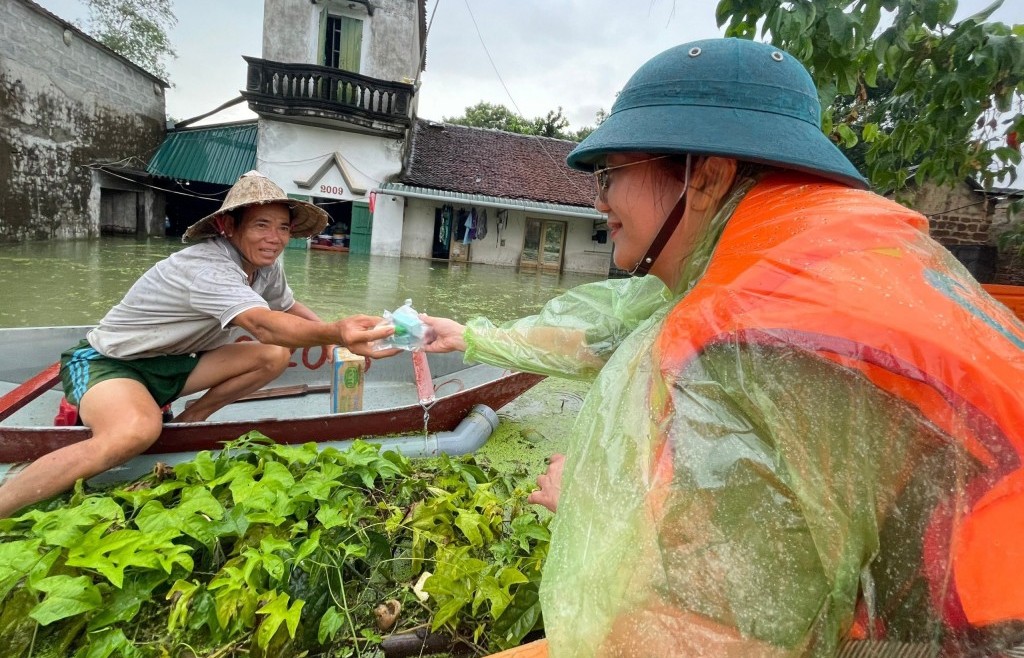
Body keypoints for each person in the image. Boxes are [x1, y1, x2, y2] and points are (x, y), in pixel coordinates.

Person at [422, 39, 1024, 656]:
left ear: (704, 177)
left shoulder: (758, 340)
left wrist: (599, 504)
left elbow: (713, 635)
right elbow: (603, 333)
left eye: (611, 174)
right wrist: (469, 336)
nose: (597, 200)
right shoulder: (822, 262)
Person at [0, 170, 398, 518]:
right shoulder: (207, 267)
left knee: (274, 357)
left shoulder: (263, 266)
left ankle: (192, 421)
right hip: (112, 364)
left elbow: (286, 306)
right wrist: (338, 332)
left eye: (282, 228)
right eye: (261, 225)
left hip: (177, 362)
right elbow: (264, 325)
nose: (274, 238)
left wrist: (329, 338)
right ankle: (7, 503)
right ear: (229, 225)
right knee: (134, 432)